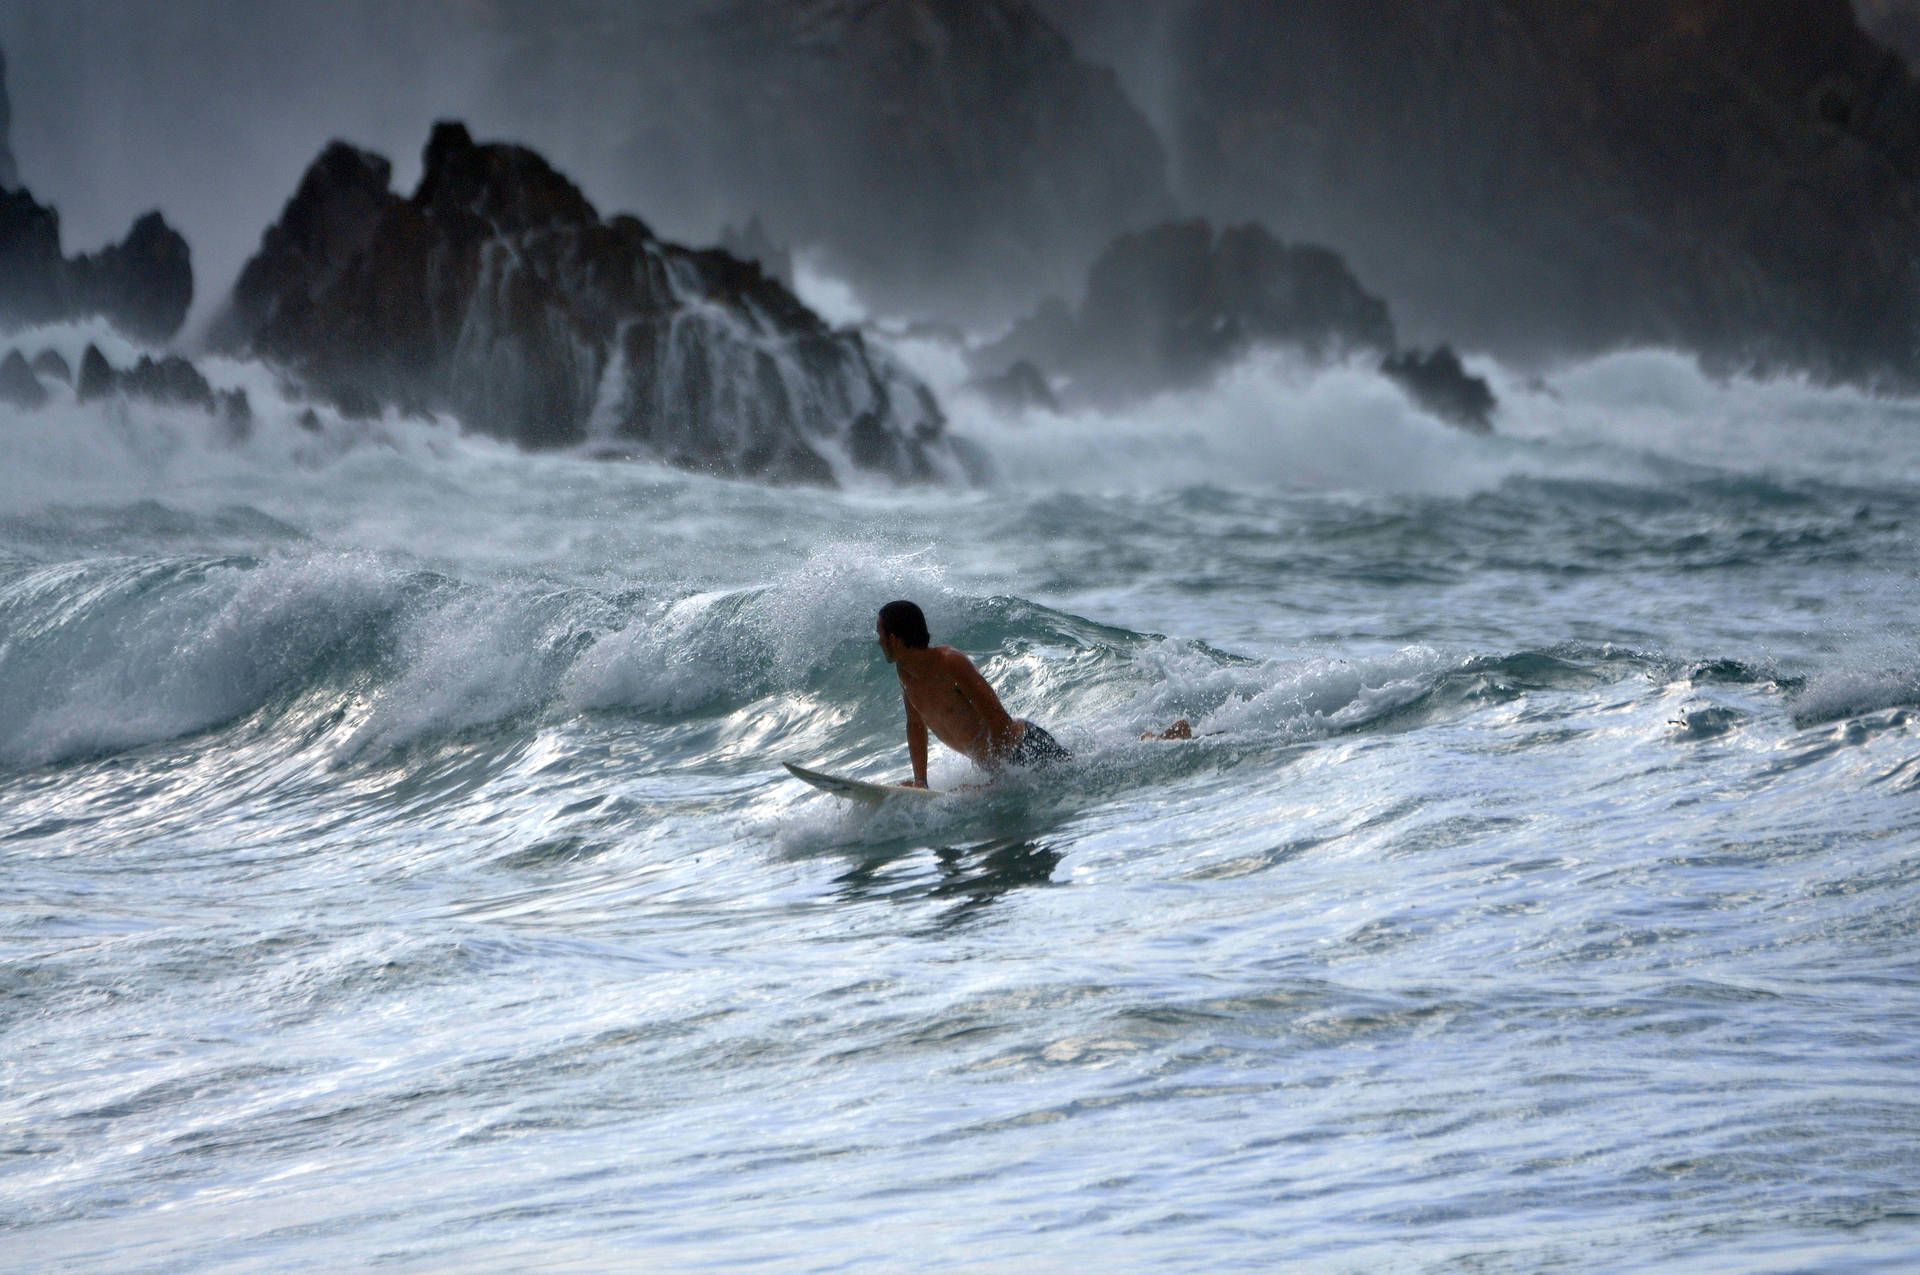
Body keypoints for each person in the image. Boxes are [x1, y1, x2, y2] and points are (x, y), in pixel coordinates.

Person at [876, 600, 1072, 787]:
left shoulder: (950, 662)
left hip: (1026, 750)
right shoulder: (905, 672)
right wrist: (921, 781)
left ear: (893, 639)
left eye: (880, 635)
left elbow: (998, 719)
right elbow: (915, 724)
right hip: (999, 765)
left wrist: (1000, 779)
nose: (879, 642)